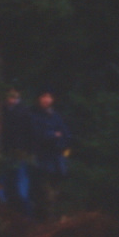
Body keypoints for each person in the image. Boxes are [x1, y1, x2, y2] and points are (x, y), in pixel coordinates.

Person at [25, 89, 74, 219]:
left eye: (49, 97)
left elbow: (66, 135)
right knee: (43, 193)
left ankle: (54, 220)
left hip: (57, 159)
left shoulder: (55, 115)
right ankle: (44, 220)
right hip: (41, 160)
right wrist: (54, 135)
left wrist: (57, 139)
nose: (47, 99)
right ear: (38, 98)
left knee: (56, 193)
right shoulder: (32, 114)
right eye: (44, 96)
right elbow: (37, 136)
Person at [0, 88, 34, 212]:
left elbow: (29, 133)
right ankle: (4, 209)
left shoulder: (24, 111)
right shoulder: (0, 111)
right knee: (3, 184)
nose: (11, 98)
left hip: (19, 152)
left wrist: (27, 150)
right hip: (3, 152)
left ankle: (25, 213)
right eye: (9, 95)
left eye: (14, 95)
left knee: (21, 187)